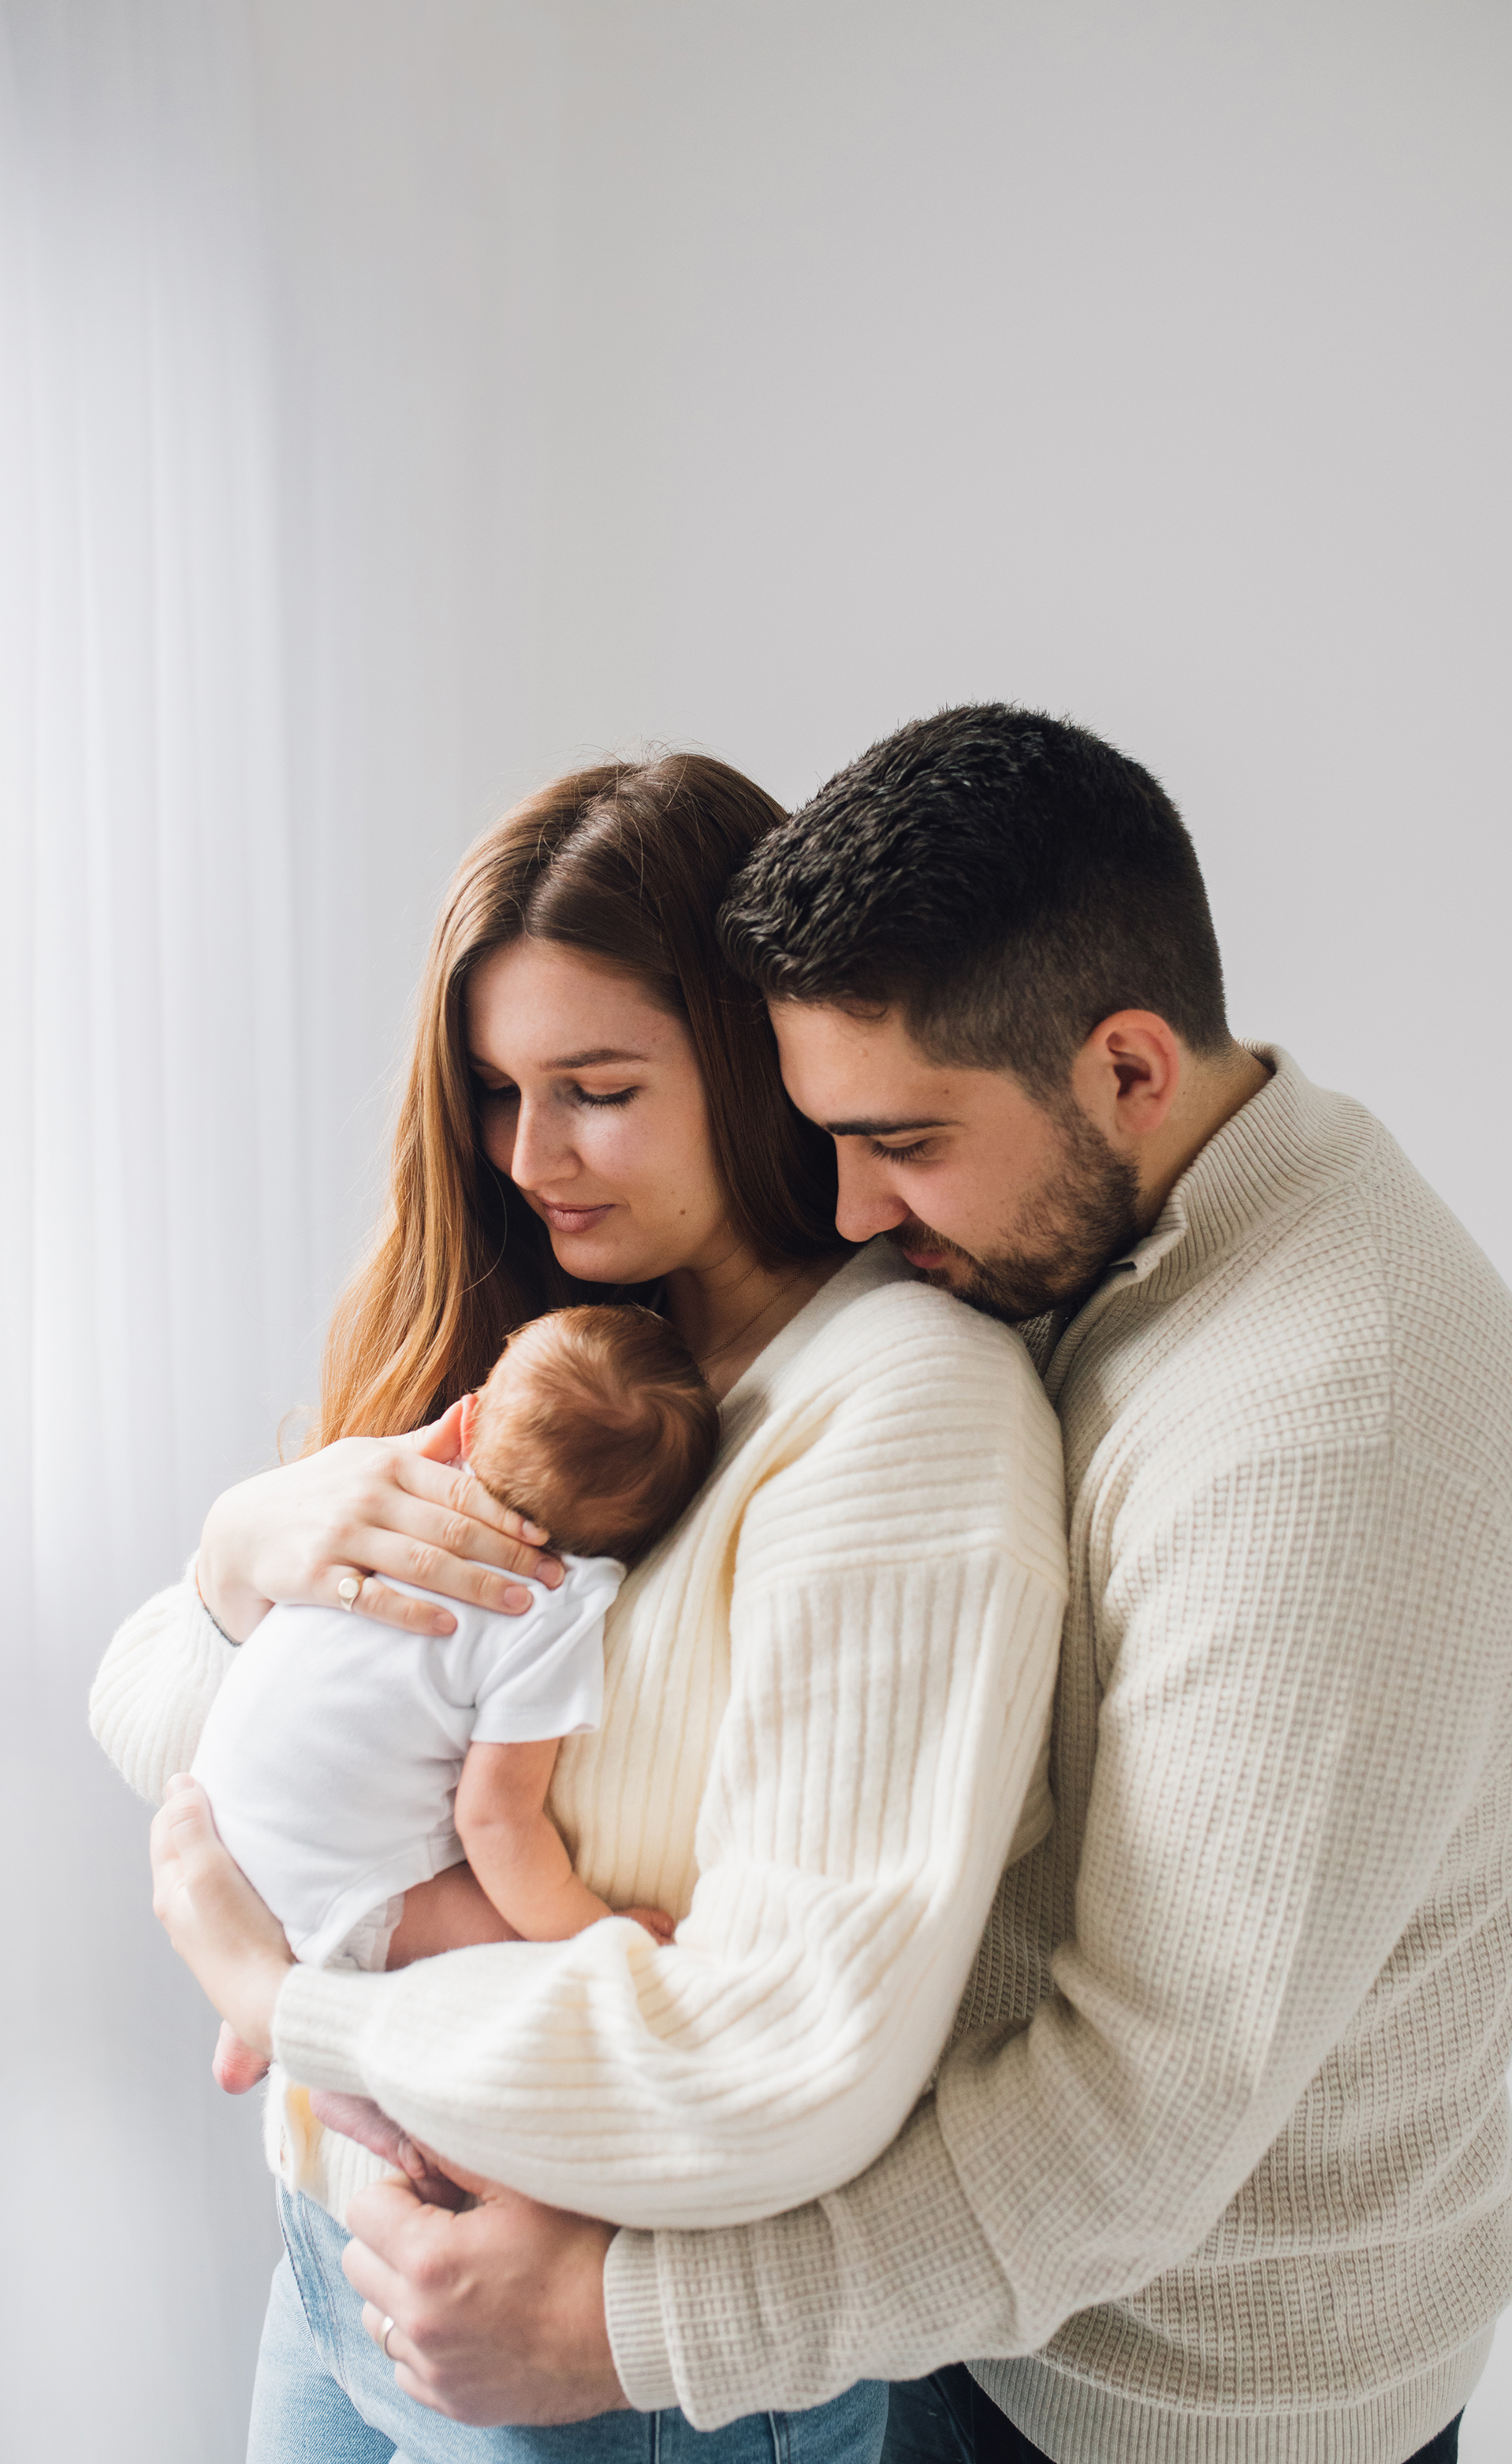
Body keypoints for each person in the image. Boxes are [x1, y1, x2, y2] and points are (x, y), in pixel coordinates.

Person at [173, 706, 1512, 2464]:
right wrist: (245, 1560)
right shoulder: (1102, 1246)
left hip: (1156, 2408)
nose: (847, 1206)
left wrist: (617, 2321)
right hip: (944, 2319)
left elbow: (1134, 2126)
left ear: (1130, 1070)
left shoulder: (1332, 1434)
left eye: (901, 1142)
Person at [98, 751, 1070, 2464]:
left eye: (598, 1087)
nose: (531, 1153)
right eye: (495, 1090)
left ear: (756, 1062)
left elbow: (792, 2056)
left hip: (596, 2356)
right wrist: (240, 1552)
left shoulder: (894, 1411)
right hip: (340, 2253)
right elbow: (183, 1736)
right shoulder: (557, 1359)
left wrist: (285, 1997)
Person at [192, 1306, 714, 2123]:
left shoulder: (382, 1503)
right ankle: (334, 2075)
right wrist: (588, 1933)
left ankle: (256, 2013)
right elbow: (496, 1822)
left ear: (463, 1420)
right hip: (334, 1870)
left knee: (340, 1870)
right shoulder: (549, 1603)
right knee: (514, 1966)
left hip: (227, 1802)